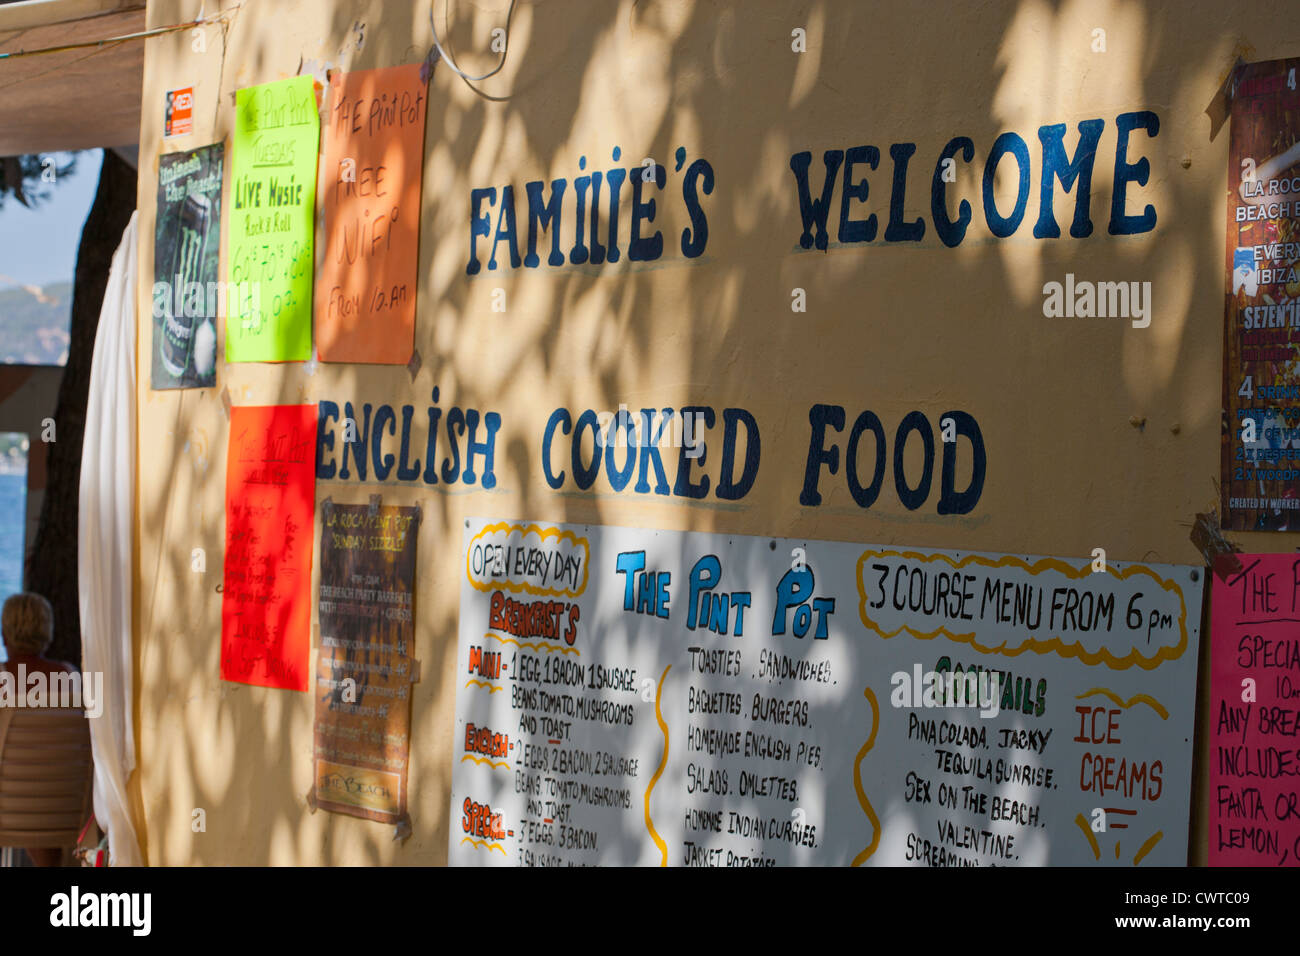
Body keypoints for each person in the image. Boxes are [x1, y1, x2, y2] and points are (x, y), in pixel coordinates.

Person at [1, 592, 78, 866]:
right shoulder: (70, 679)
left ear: (4, 633)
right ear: (47, 632)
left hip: (8, 806)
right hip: (60, 807)